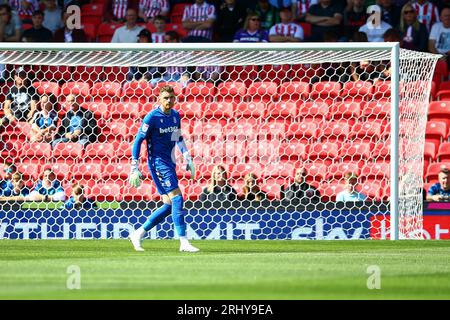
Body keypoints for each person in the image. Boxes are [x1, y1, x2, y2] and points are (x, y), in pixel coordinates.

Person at [127, 85, 199, 253]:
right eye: (165, 98)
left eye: (171, 98)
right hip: (158, 163)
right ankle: (183, 242)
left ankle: (138, 233)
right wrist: (134, 166)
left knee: (168, 205)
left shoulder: (175, 116)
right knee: (177, 198)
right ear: (159, 99)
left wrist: (187, 157)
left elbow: (178, 137)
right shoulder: (151, 117)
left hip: (170, 162)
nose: (169, 101)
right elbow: (138, 141)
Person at [0, 67, 39, 131]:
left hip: (27, 114)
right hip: (14, 114)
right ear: (15, 77)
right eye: (19, 75)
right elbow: (6, 108)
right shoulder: (11, 90)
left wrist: (28, 118)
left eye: (23, 76)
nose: (21, 78)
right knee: (1, 121)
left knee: (33, 124)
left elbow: (33, 108)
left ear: (26, 77)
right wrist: (10, 116)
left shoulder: (32, 89)